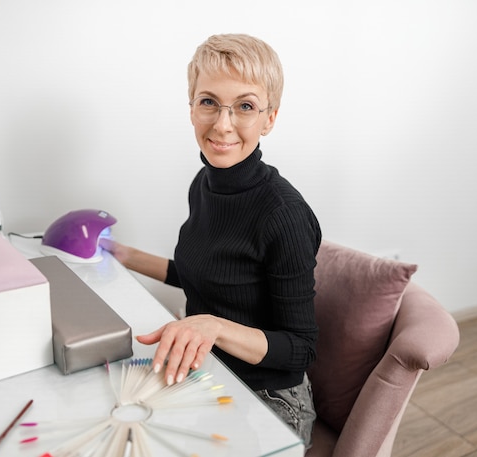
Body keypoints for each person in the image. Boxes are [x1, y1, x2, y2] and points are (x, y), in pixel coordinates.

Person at [100, 33, 321, 447]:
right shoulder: (204, 184)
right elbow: (201, 274)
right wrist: (120, 253)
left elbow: (300, 349)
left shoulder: (284, 214)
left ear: (269, 118)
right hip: (210, 373)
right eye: (208, 102)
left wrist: (214, 327)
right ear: (191, 108)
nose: (222, 124)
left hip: (270, 399)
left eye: (245, 106)